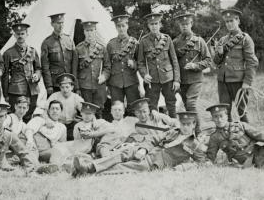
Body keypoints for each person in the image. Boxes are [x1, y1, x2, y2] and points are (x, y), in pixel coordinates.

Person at [72, 111, 208, 176]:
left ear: (194, 124)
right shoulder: (173, 131)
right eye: (183, 124)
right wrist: (143, 149)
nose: (184, 127)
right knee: (122, 153)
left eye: (188, 124)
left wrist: (181, 168)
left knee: (123, 167)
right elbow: (153, 139)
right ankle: (90, 166)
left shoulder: (195, 145)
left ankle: (88, 172)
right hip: (146, 151)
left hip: (155, 163)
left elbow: (201, 163)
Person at [35, 102, 112, 174]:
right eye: (85, 113)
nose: (87, 116)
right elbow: (77, 142)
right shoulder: (78, 125)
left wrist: (94, 133)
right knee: (60, 151)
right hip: (74, 148)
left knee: (79, 158)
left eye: (89, 114)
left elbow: (111, 128)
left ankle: (58, 167)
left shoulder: (99, 122)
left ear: (93, 114)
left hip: (86, 150)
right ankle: (53, 166)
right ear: (81, 113)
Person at [213, 8, 259, 122]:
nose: (229, 24)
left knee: (242, 112)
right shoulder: (223, 40)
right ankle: (228, 137)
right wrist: (219, 53)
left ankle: (249, 137)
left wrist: (247, 82)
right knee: (224, 113)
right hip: (222, 81)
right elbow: (216, 62)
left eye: (231, 21)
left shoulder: (245, 39)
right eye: (227, 22)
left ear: (237, 21)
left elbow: (252, 62)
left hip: (238, 81)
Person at [173, 11, 212, 135]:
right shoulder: (175, 43)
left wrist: (195, 65)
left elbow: (208, 60)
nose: (184, 26)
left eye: (187, 23)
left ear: (191, 24)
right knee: (187, 106)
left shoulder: (199, 41)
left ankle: (198, 131)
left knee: (191, 103)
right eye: (182, 24)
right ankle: (190, 133)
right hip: (182, 80)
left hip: (195, 79)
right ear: (179, 26)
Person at [137, 13, 180, 118]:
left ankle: (174, 126)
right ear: (148, 26)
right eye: (151, 24)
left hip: (168, 78)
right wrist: (144, 75)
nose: (154, 26)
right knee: (152, 105)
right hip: (152, 79)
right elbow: (140, 62)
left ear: (160, 24)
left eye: (156, 23)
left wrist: (176, 80)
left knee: (171, 104)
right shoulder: (143, 41)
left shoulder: (167, 39)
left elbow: (174, 60)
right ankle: (155, 129)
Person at [2, 23, 41, 122]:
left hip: (32, 89)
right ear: (14, 35)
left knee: (29, 112)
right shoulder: (8, 53)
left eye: (22, 33)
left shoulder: (32, 51)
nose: (20, 36)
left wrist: (37, 75)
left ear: (27, 34)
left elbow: (38, 68)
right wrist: (5, 94)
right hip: (16, 90)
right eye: (18, 34)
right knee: (16, 114)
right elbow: (5, 75)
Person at [206, 104, 264, 168]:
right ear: (212, 119)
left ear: (226, 116)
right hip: (244, 162)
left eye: (221, 116)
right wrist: (207, 163)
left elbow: (259, 135)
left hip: (258, 152)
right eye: (215, 117)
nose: (219, 120)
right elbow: (210, 156)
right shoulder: (214, 137)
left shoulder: (240, 125)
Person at [76, 21, 110, 118]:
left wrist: (104, 76)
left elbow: (107, 67)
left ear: (95, 31)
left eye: (91, 30)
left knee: (99, 111)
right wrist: (77, 87)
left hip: (99, 86)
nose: (89, 33)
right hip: (85, 86)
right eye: (87, 31)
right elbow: (75, 70)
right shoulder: (78, 49)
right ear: (84, 32)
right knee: (86, 111)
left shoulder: (102, 48)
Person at [106, 15, 140, 115]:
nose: (121, 28)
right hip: (115, 82)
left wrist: (133, 64)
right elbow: (107, 64)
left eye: (123, 26)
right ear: (116, 28)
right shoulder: (110, 44)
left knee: (134, 108)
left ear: (127, 26)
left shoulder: (134, 43)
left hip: (131, 81)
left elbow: (141, 63)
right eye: (119, 26)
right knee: (117, 109)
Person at [41, 13, 78, 96]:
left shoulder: (69, 40)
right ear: (52, 24)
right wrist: (49, 86)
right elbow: (45, 67)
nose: (61, 25)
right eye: (58, 23)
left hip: (69, 84)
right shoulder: (47, 43)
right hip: (55, 84)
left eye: (62, 23)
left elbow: (74, 64)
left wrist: (75, 84)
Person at [46, 73, 84, 140]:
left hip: (71, 125)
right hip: (57, 124)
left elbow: (85, 111)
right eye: (62, 87)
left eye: (67, 87)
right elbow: (44, 109)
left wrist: (83, 119)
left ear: (72, 87)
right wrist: (48, 120)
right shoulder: (54, 96)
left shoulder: (76, 97)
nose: (65, 90)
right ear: (59, 87)